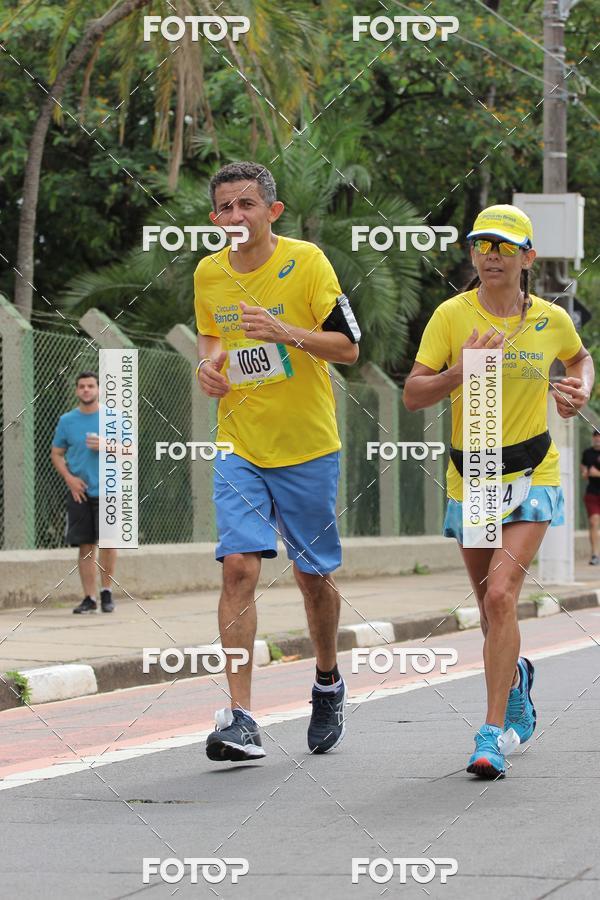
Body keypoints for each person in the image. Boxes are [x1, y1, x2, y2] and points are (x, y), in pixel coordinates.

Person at [403, 204, 594, 779]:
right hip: (473, 476)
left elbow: (580, 360)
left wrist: (578, 389)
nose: (491, 254)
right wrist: (463, 370)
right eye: (481, 245)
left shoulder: (551, 320)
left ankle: (489, 735)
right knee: (489, 609)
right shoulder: (450, 316)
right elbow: (413, 394)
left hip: (533, 470)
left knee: (501, 596)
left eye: (504, 246)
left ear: (527, 257)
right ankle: (516, 680)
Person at [194, 161, 361, 762]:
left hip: (307, 445)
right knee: (237, 566)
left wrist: (286, 331)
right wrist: (207, 368)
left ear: (273, 211)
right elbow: (212, 339)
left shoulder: (309, 262)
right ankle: (240, 717)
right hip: (239, 442)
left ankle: (326, 680)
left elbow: (348, 345)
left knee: (311, 575)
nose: (235, 218)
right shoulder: (209, 273)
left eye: (246, 206)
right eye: (224, 209)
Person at [51, 372, 117, 613]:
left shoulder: (113, 417)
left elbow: (131, 450)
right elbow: (56, 453)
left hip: (109, 489)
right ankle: (89, 598)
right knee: (86, 545)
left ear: (98, 389)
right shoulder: (67, 420)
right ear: (77, 390)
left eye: (90, 386)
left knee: (109, 544)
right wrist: (69, 478)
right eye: (82, 386)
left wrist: (106, 445)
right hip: (80, 491)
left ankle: (107, 591)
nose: (86, 390)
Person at [581, 429, 600, 564]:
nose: (597, 439)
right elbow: (584, 471)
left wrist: (597, 474)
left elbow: (594, 473)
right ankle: (595, 555)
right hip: (592, 493)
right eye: (595, 436)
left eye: (599, 437)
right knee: (593, 522)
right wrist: (585, 473)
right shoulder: (587, 453)